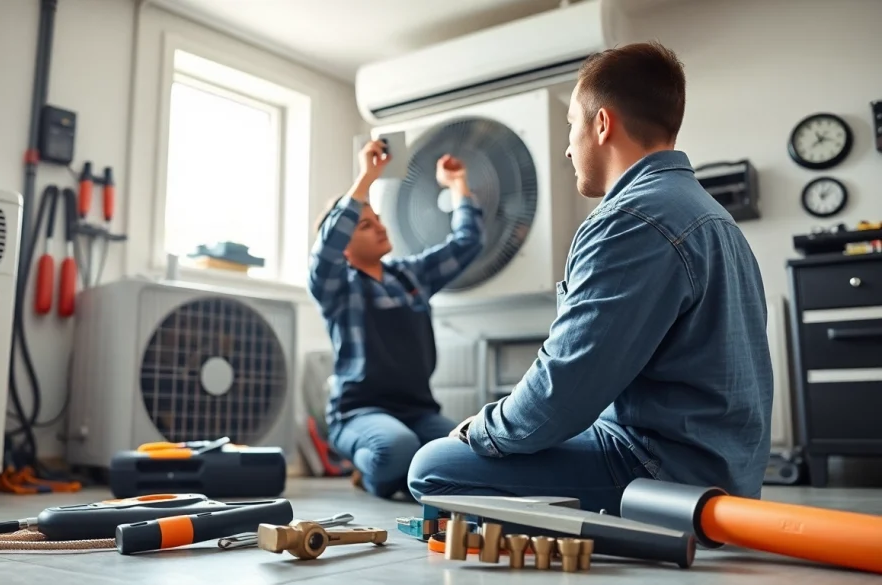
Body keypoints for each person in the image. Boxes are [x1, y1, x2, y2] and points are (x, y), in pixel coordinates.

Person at [407, 41, 773, 513]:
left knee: (432, 466)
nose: (567, 146)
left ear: (601, 124)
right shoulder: (715, 218)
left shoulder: (631, 219)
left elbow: (565, 392)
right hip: (728, 473)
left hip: (664, 473)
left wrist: (479, 428)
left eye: (571, 126)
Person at [308, 139, 485, 499]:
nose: (379, 227)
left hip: (418, 411)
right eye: (364, 226)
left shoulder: (410, 275)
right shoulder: (336, 286)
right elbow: (324, 251)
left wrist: (457, 185)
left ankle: (399, 469)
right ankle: (371, 468)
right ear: (345, 245)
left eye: (377, 220)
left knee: (467, 455)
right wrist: (366, 178)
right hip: (359, 413)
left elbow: (467, 242)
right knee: (397, 449)